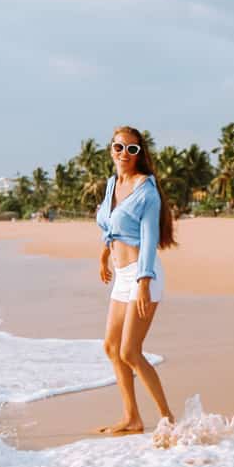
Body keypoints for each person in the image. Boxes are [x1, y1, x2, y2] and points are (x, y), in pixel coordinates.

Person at [93, 126, 177, 434]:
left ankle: (168, 419)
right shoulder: (112, 183)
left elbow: (149, 236)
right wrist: (104, 256)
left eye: (132, 149)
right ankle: (132, 417)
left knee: (130, 351)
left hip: (145, 274)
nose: (124, 154)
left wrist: (143, 282)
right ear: (111, 149)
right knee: (111, 347)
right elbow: (109, 225)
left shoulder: (146, 191)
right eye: (119, 148)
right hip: (122, 276)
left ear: (140, 154)